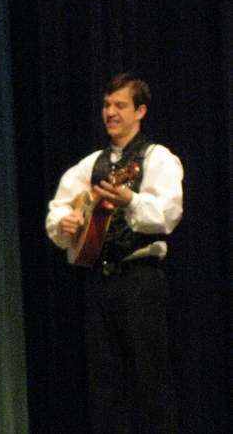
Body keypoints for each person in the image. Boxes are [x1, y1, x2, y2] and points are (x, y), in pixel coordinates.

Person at [45, 73, 183, 434]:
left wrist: (131, 199)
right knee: (105, 386)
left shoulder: (157, 158)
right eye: (106, 105)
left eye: (120, 105)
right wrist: (66, 224)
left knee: (149, 379)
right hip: (99, 282)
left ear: (141, 111)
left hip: (140, 280)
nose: (110, 112)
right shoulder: (92, 164)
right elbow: (58, 208)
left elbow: (168, 213)